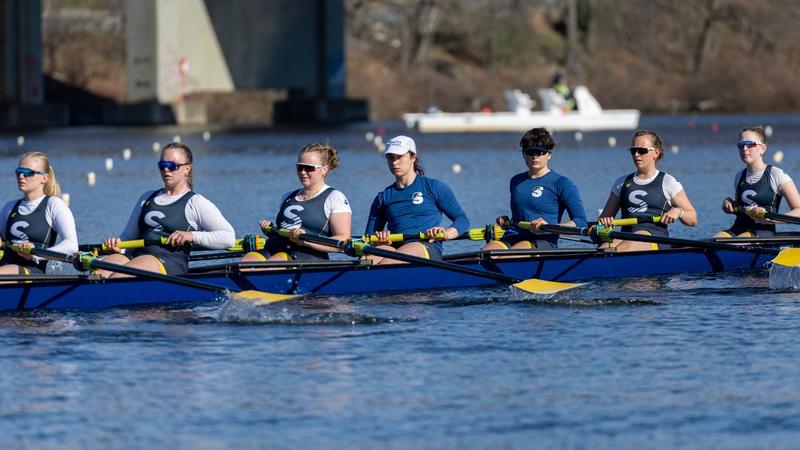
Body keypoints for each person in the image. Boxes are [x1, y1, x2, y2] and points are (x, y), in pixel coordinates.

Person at [101, 142, 235, 278]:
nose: (166, 170)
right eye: (162, 165)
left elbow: (228, 237)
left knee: (118, 277)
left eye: (172, 166)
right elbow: (127, 238)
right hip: (135, 257)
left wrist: (192, 236)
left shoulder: (196, 203)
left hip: (169, 263)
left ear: (187, 169)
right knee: (99, 272)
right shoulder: (146, 197)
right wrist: (117, 245)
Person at [364, 135, 469, 264]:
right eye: (391, 157)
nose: (394, 162)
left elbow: (462, 220)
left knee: (388, 262)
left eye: (400, 157)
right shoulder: (382, 198)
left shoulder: (434, 187)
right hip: (395, 248)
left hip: (426, 246)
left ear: (413, 158)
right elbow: (368, 238)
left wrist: (446, 233)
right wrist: (378, 240)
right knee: (366, 260)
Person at [242, 143, 351, 262]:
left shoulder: (335, 197)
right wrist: (271, 231)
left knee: (274, 261)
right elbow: (285, 229)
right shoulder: (288, 196)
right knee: (245, 262)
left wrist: (305, 241)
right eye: (300, 167)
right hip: (274, 248)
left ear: (324, 169)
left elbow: (343, 240)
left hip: (308, 254)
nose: (303, 172)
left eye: (309, 168)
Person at [483, 128, 587, 251]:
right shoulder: (516, 181)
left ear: (549, 154)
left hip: (542, 240)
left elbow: (580, 222)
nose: (535, 156)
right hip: (513, 236)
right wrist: (508, 221)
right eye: (530, 152)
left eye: (540, 152)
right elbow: (523, 215)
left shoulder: (562, 183)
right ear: (523, 154)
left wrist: (549, 226)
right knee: (486, 253)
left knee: (512, 254)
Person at [597, 130, 697, 251]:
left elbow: (693, 219)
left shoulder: (667, 182)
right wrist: (605, 224)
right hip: (625, 236)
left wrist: (678, 211)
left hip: (655, 238)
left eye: (642, 151)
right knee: (603, 249)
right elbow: (600, 227)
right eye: (633, 151)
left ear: (656, 153)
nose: (636, 155)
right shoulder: (621, 183)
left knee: (624, 247)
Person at [0, 151, 78, 274]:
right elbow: (2, 239)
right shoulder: (9, 207)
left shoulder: (54, 205)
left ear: (44, 178)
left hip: (31, 272)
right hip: (4, 267)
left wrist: (36, 255)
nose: (21, 176)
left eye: (28, 173)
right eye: (19, 172)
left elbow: (72, 246)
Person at [714, 126, 800, 237]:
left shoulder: (776, 175)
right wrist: (730, 203)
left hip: (762, 232)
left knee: (737, 242)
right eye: (741, 145)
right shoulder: (739, 176)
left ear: (763, 148)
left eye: (750, 144)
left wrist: (771, 218)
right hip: (737, 229)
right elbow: (743, 208)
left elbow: (798, 210)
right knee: (715, 239)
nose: (745, 148)